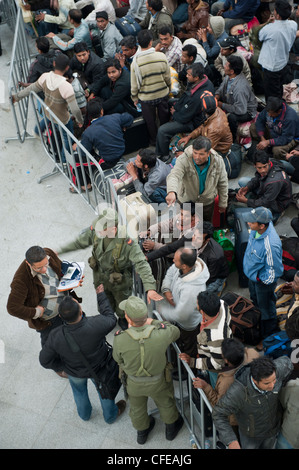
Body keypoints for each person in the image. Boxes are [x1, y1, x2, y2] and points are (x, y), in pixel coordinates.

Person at [57, 207, 162, 330]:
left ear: (113, 229)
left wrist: (150, 287)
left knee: (122, 303)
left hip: (119, 281)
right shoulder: (97, 232)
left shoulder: (127, 242)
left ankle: (122, 318)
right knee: (104, 302)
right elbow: (79, 243)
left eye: (102, 229)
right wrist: (59, 251)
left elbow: (141, 263)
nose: (98, 231)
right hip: (100, 277)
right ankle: (108, 317)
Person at [39, 286, 127, 422]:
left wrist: (61, 367)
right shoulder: (95, 324)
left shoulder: (55, 335)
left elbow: (44, 360)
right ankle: (110, 416)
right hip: (100, 369)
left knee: (79, 392)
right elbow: (110, 318)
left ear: (61, 316)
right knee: (105, 392)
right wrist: (101, 295)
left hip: (74, 371)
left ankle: (85, 415)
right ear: (80, 311)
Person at [112, 295, 184, 444]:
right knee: (166, 403)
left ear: (128, 319)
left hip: (134, 383)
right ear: (146, 316)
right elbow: (175, 331)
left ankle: (142, 434)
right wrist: (155, 322)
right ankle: (171, 430)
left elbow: (117, 359)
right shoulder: (160, 334)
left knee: (137, 408)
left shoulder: (120, 339)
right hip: (159, 380)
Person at [7, 246, 83, 347]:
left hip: (66, 306)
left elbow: (60, 268)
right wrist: (36, 312)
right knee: (52, 345)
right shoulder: (21, 280)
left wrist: (73, 281)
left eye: (46, 264)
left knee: (76, 335)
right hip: (50, 321)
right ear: (28, 264)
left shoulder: (48, 253)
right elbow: (12, 308)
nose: (44, 270)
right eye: (38, 268)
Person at [212, 356, 293, 449]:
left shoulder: (278, 370)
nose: (272, 386)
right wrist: (231, 440)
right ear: (255, 380)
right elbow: (218, 413)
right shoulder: (238, 392)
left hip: (272, 431)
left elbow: (288, 362)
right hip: (250, 437)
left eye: (274, 380)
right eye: (266, 383)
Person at [12, 53, 83, 158]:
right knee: (67, 139)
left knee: (48, 118)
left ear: (54, 63)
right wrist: (79, 120)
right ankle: (65, 160)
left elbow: (30, 89)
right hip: (62, 119)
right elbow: (75, 109)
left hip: (49, 110)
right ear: (67, 67)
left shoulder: (45, 77)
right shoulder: (66, 86)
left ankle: (37, 131)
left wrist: (16, 97)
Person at [156, 62, 214, 160]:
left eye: (189, 75)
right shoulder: (203, 81)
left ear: (196, 78)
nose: (186, 76)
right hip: (187, 108)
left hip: (193, 121)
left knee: (162, 130)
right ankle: (168, 133)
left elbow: (185, 117)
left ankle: (164, 156)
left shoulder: (197, 96)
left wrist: (175, 113)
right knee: (170, 101)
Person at [242, 207, 284, 340]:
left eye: (251, 222)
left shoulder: (271, 245)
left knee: (266, 309)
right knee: (256, 302)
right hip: (253, 277)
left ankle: (269, 335)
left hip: (262, 282)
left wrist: (260, 280)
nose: (248, 223)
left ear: (261, 226)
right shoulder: (256, 230)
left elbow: (274, 272)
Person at [159, 247, 210, 356]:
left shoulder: (192, 289)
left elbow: (182, 314)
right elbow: (170, 273)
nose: (173, 260)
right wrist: (167, 290)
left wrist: (162, 312)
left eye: (175, 260)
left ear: (184, 266)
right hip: (178, 317)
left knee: (189, 348)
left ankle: (190, 370)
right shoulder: (184, 266)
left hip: (188, 325)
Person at [166, 136, 228, 222]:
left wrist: (223, 203)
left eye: (201, 154)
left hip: (207, 202)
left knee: (205, 226)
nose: (197, 157)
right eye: (195, 153)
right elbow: (174, 175)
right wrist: (171, 191)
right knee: (183, 224)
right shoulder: (183, 159)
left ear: (208, 153)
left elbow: (223, 183)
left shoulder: (218, 161)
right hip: (186, 200)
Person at [180, 290, 232, 387]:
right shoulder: (221, 304)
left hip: (214, 370)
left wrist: (193, 362)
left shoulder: (216, 337)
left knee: (215, 387)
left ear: (202, 312)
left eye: (197, 304)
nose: (196, 304)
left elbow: (217, 363)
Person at [193, 337, 259, 411]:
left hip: (236, 418)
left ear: (226, 360)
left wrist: (206, 387)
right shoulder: (253, 353)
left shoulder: (226, 381)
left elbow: (219, 405)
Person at [130, 29, 171, 146]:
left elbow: (134, 86)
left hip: (146, 98)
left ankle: (154, 141)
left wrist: (135, 99)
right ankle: (165, 139)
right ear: (151, 42)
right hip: (162, 94)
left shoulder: (135, 62)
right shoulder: (161, 56)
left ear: (138, 43)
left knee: (150, 122)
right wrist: (167, 88)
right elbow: (167, 78)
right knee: (164, 118)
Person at [258, 0, 297, 101]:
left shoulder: (270, 28)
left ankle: (275, 111)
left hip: (271, 65)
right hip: (283, 61)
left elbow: (260, 36)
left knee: (271, 94)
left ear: (278, 15)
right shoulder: (293, 24)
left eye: (274, 11)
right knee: (278, 88)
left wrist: (268, 22)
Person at [236, 149, 292, 220]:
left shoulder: (274, 181)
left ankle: (278, 213)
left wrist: (246, 201)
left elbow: (266, 202)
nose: (263, 170)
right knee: (243, 181)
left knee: (263, 217)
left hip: (278, 202)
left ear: (268, 163)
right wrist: (247, 187)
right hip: (268, 189)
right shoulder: (267, 162)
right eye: (259, 168)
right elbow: (258, 178)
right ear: (254, 166)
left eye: (265, 167)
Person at [215, 54, 257, 142]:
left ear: (232, 71)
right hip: (233, 102)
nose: (224, 66)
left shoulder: (240, 88)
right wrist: (216, 96)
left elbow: (241, 110)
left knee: (232, 118)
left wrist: (221, 105)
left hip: (246, 110)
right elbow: (221, 88)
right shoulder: (229, 76)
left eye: (226, 65)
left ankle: (233, 140)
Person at [178, 90, 233, 155]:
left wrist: (185, 155)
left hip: (219, 149)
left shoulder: (214, 129)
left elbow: (206, 150)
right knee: (183, 145)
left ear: (202, 109)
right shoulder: (216, 110)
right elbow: (203, 127)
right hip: (209, 139)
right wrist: (189, 136)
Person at [191, 221, 229, 293]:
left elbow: (210, 277)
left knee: (202, 295)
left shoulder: (215, 256)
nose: (194, 239)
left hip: (215, 277)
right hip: (201, 267)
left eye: (198, 238)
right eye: (194, 235)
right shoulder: (194, 240)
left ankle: (221, 284)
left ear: (207, 240)